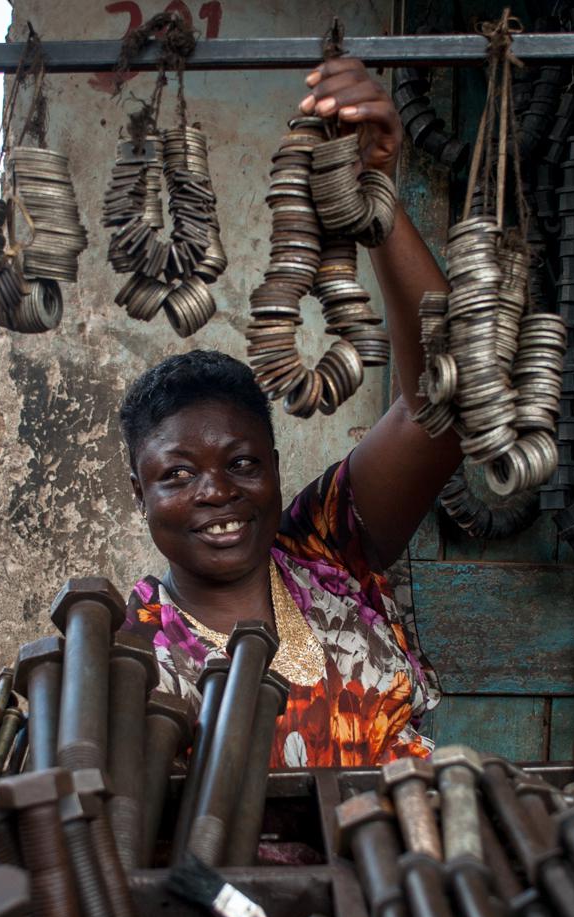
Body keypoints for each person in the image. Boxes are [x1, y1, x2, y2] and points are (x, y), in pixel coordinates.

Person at [119, 58, 462, 767]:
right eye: (178, 475)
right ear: (140, 494)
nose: (216, 491)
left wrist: (372, 199)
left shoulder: (327, 553)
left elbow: (442, 401)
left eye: (241, 464)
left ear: (274, 469)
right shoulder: (129, 652)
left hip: (417, 870)